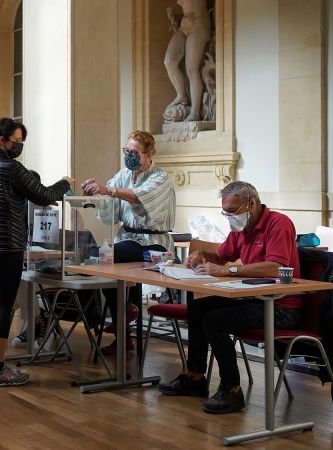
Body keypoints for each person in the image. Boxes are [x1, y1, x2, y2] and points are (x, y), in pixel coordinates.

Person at [159, 181, 302, 414]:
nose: (230, 217)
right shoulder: (241, 229)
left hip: (281, 305)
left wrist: (228, 271)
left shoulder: (279, 224)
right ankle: (195, 376)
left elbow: (276, 267)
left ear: (252, 203)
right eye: (225, 212)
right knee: (198, 307)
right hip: (255, 299)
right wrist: (201, 255)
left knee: (215, 321)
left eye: (233, 211)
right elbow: (220, 257)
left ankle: (232, 390)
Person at [0, 118, 74, 386]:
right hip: (8, 243)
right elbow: (43, 195)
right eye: (17, 141)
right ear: (2, 141)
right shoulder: (11, 168)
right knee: (4, 305)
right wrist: (64, 182)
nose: (20, 146)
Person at [82, 130, 176, 355]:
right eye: (127, 151)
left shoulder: (160, 178)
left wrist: (110, 191)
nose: (129, 155)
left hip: (152, 243)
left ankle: (123, 314)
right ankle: (124, 333)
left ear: (149, 154)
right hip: (128, 238)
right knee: (97, 257)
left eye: (134, 152)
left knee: (105, 255)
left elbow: (138, 197)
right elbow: (111, 211)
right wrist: (98, 194)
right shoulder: (123, 175)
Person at [164, 0, 211, 121]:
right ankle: (181, 95)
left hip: (198, 22)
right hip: (183, 25)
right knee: (169, 62)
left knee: (191, 69)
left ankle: (195, 113)